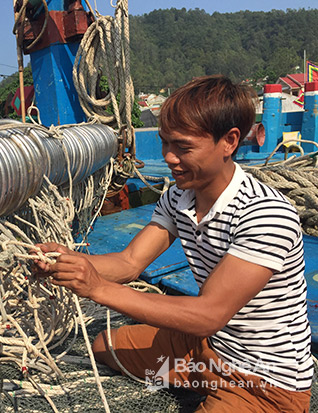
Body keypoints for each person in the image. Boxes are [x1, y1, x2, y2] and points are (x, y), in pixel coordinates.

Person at [34, 75, 313, 412]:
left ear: (229, 141)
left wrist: (96, 288)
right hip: (204, 350)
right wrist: (69, 262)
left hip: (262, 380)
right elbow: (129, 262)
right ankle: (192, 377)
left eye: (183, 147)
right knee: (104, 346)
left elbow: (209, 314)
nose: (168, 157)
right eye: (165, 143)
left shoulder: (265, 214)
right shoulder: (179, 195)